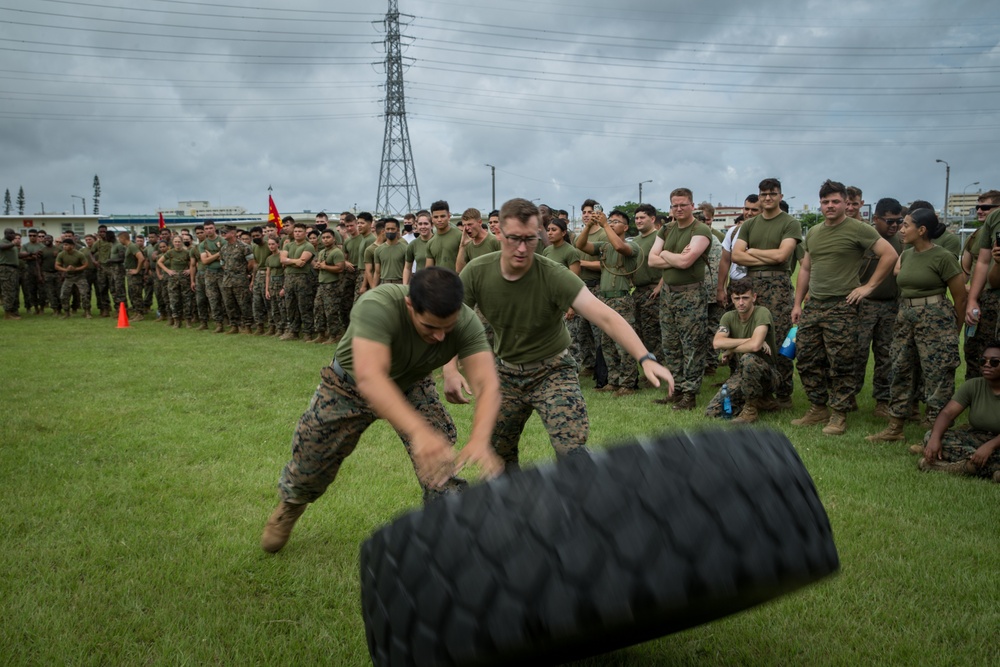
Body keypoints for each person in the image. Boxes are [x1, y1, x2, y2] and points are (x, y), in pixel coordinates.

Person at [260, 267, 503, 553]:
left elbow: (487, 384)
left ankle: (449, 527)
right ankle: (292, 504)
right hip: (349, 387)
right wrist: (418, 431)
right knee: (311, 460)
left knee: (439, 457)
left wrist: (479, 438)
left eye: (447, 329)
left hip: (411, 383)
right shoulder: (378, 305)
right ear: (410, 305)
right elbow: (371, 379)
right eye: (430, 327)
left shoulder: (465, 321)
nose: (440, 337)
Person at [453, 198, 674, 471]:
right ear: (499, 233)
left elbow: (606, 316)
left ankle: (578, 506)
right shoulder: (478, 271)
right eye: (513, 239)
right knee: (498, 453)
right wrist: (450, 368)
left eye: (530, 239)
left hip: (552, 372)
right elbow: (452, 320)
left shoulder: (553, 274)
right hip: (506, 374)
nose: (522, 248)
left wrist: (645, 357)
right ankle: (511, 506)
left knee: (571, 452)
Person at [791, 180, 898, 436]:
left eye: (835, 201)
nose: (830, 206)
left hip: (843, 306)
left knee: (841, 362)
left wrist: (868, 287)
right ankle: (818, 408)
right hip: (815, 304)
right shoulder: (814, 232)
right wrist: (797, 303)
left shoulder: (858, 229)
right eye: (825, 202)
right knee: (806, 358)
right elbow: (806, 268)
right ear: (821, 204)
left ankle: (839, 414)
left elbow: (890, 254)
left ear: (844, 203)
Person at [867, 209, 966, 441]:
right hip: (906, 316)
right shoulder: (907, 254)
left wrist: (955, 330)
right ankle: (895, 427)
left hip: (935, 317)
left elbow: (960, 298)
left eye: (906, 225)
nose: (901, 228)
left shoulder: (943, 257)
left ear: (922, 230)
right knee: (900, 368)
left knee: (937, 375)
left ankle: (936, 435)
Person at [731, 180, 801, 409]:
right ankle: (757, 393)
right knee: (752, 337)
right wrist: (766, 256)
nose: (768, 198)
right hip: (752, 286)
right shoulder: (750, 225)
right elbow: (737, 256)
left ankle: (783, 395)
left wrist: (753, 251)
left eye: (772, 194)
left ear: (780, 196)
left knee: (778, 339)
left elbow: (782, 256)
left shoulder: (790, 223)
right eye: (764, 194)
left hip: (778, 286)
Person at [647, 187, 713, 410]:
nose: (679, 209)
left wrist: (664, 254)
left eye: (683, 204)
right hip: (668, 294)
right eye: (675, 205)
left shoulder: (700, 229)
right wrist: (670, 256)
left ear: (692, 206)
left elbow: (686, 262)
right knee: (670, 345)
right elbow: (651, 260)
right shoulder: (666, 229)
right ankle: (676, 390)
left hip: (690, 294)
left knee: (692, 345)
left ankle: (690, 394)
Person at [576, 208, 641, 395]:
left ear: (626, 227)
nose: (611, 224)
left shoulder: (632, 245)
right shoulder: (604, 246)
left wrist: (604, 224)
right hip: (605, 299)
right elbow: (581, 245)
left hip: (621, 298)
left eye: (616, 222)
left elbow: (621, 248)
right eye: (610, 221)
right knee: (607, 343)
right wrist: (589, 226)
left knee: (624, 342)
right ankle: (613, 380)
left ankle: (628, 383)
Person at [914, 341, 1000, 482]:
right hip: (978, 438)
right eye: (983, 360)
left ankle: (948, 467)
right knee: (932, 435)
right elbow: (947, 413)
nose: (987, 364)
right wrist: (935, 438)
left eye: (994, 362)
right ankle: (985, 467)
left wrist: (990, 446)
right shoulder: (973, 385)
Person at [854, 198, 904, 417]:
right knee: (857, 353)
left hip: (890, 305)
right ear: (876, 219)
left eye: (898, 221)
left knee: (886, 355)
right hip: (863, 305)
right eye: (889, 221)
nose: (894, 226)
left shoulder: (903, 241)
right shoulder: (864, 238)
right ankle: (849, 397)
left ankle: (882, 401)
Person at [705, 279, 778, 424]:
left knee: (748, 358)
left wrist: (730, 348)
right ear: (732, 298)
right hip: (743, 373)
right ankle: (763, 401)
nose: (741, 303)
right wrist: (748, 340)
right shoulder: (728, 317)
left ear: (754, 297)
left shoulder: (762, 313)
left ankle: (750, 410)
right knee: (713, 411)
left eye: (745, 298)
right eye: (736, 298)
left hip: (768, 374)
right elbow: (717, 343)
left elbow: (755, 346)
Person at [964, 192, 1000, 379]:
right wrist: (970, 299)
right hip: (987, 298)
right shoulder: (980, 233)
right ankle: (977, 400)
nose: (980, 211)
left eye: (985, 207)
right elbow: (979, 264)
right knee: (977, 351)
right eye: (978, 207)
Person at [630, 203, 663, 365]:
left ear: (652, 218)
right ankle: (649, 366)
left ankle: (659, 368)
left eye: (642, 217)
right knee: (640, 332)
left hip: (653, 291)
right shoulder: (635, 241)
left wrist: (660, 286)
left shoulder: (659, 237)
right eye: (636, 218)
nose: (638, 221)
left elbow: (667, 263)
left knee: (653, 334)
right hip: (638, 291)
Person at [279, 222, 316, 341]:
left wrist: (290, 261)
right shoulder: (288, 245)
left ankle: (307, 332)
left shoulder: (308, 246)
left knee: (304, 306)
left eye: (300, 231)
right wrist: (294, 261)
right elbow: (282, 259)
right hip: (289, 278)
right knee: (290, 305)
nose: (297, 233)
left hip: (303, 279)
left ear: (305, 233)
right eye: (295, 231)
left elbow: (302, 262)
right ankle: (293, 331)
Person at [219, 225, 255, 334]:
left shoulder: (244, 247)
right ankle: (234, 326)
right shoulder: (224, 248)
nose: (223, 234)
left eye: (226, 232)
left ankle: (248, 326)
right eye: (222, 232)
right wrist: (229, 270)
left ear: (233, 233)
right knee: (229, 304)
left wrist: (242, 272)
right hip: (227, 280)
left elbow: (251, 263)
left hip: (240, 280)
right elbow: (222, 263)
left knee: (244, 303)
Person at [311, 229, 345, 344]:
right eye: (324, 237)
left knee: (331, 311)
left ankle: (334, 335)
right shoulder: (321, 252)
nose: (325, 240)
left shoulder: (337, 252)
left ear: (334, 238)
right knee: (318, 308)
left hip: (333, 285)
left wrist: (325, 267)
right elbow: (319, 265)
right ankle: (321, 333)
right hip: (322, 284)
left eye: (328, 237)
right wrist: (318, 265)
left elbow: (340, 268)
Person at [158, 234, 194, 328]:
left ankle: (188, 321)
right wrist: (168, 271)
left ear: (182, 242)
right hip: (173, 279)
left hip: (184, 278)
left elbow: (193, 263)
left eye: (179, 241)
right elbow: (159, 262)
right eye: (175, 242)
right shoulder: (170, 253)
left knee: (187, 300)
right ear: (173, 243)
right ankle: (176, 321)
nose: (177, 243)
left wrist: (189, 270)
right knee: (174, 300)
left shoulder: (187, 252)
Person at [198, 221, 226, 332]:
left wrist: (211, 256)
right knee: (213, 299)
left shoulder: (223, 241)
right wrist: (218, 254)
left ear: (215, 228)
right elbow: (204, 261)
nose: (208, 230)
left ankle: (233, 322)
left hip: (223, 273)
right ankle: (218, 324)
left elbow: (226, 259)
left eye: (210, 228)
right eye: (206, 228)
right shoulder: (203, 244)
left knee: (226, 299)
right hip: (210, 273)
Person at [455, 208, 500, 273]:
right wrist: (462, 245)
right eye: (465, 225)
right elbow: (459, 270)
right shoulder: (468, 245)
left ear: (480, 222)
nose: (467, 228)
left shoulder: (495, 241)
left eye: (470, 224)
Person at [425, 200, 462, 271]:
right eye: (436, 217)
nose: (439, 220)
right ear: (432, 218)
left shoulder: (460, 236)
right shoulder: (430, 243)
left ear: (448, 216)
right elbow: (429, 271)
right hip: (439, 281)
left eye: (442, 216)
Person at [373, 218, 408, 286]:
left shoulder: (405, 248)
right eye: (388, 229)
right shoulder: (378, 250)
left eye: (392, 229)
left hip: (400, 283)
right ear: (384, 230)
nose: (390, 231)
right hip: (384, 284)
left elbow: (407, 269)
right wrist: (373, 289)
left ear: (397, 230)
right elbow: (377, 272)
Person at [263, 236, 286, 336]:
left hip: (281, 282)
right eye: (269, 244)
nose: (271, 246)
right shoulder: (269, 258)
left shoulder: (282, 255)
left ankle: (285, 328)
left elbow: (286, 273)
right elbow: (268, 274)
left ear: (278, 244)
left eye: (273, 244)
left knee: (283, 307)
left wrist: (284, 287)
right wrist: (266, 289)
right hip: (272, 284)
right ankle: (278, 328)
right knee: (274, 307)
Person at [403, 210, 433, 285]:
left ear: (431, 225)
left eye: (426, 224)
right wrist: (404, 288)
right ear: (416, 225)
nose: (423, 227)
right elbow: (407, 268)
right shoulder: (412, 245)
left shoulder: (438, 241)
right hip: (420, 284)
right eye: (420, 224)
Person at [1, 228, 22, 319]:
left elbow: (18, 255)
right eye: (12, 234)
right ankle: (7, 314)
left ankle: (13, 311)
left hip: (13, 269)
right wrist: (14, 243)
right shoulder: (3, 242)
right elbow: (2, 247)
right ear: (7, 234)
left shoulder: (12, 245)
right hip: (6, 269)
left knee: (14, 291)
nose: (14, 235)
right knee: (8, 291)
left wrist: (30, 254)